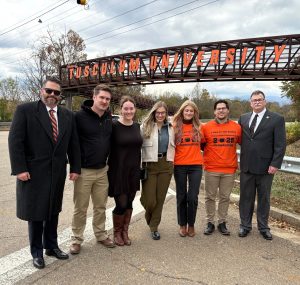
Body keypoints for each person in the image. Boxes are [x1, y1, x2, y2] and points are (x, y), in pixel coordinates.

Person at [8, 77, 81, 269]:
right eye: (49, 91)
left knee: (53, 210)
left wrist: (75, 168)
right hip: (33, 172)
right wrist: (20, 168)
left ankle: (51, 246)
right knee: (36, 213)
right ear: (42, 91)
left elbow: (73, 144)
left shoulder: (67, 115)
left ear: (60, 96)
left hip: (57, 172)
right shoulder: (25, 110)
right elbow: (16, 141)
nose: (52, 95)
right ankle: (37, 252)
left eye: (56, 93)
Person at [69, 85, 115, 255]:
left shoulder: (109, 118)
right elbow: (72, 144)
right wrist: (74, 168)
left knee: (100, 206)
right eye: (102, 97)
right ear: (94, 97)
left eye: (108, 99)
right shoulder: (79, 117)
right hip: (84, 171)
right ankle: (76, 239)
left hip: (102, 170)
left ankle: (101, 234)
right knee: (80, 207)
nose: (104, 101)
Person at [238, 90, 286, 240]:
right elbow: (240, 140)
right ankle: (245, 225)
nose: (257, 102)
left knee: (264, 198)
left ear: (265, 101)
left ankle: (263, 227)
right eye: (254, 100)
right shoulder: (243, 118)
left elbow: (280, 144)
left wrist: (275, 163)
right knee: (245, 198)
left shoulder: (276, 119)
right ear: (250, 102)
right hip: (246, 166)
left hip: (266, 167)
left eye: (260, 99)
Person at [201, 100, 241, 236]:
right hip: (211, 168)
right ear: (214, 111)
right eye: (218, 109)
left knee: (225, 197)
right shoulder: (206, 128)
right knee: (210, 197)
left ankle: (222, 222)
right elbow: (201, 145)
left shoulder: (236, 127)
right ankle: (210, 222)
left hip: (229, 169)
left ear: (228, 111)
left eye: (224, 108)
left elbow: (245, 144)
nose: (221, 111)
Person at [108, 96, 143, 246]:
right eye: (125, 108)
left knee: (129, 202)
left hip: (133, 170)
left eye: (131, 108)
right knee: (121, 204)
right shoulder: (113, 126)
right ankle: (116, 232)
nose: (128, 111)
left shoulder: (137, 126)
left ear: (135, 110)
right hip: (118, 170)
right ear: (120, 109)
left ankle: (124, 232)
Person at [140, 101, 175, 240]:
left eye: (163, 112)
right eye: (158, 112)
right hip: (150, 165)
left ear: (166, 114)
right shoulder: (145, 126)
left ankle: (154, 226)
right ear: (154, 113)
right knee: (150, 200)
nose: (160, 115)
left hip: (166, 165)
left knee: (160, 199)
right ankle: (148, 210)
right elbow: (138, 147)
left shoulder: (172, 127)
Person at [173, 100, 203, 237]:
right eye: (187, 110)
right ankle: (182, 225)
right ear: (182, 111)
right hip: (179, 165)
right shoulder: (174, 127)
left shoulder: (200, 127)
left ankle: (191, 225)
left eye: (191, 111)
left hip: (195, 165)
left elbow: (206, 145)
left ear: (195, 113)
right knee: (181, 196)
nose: (189, 113)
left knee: (192, 197)